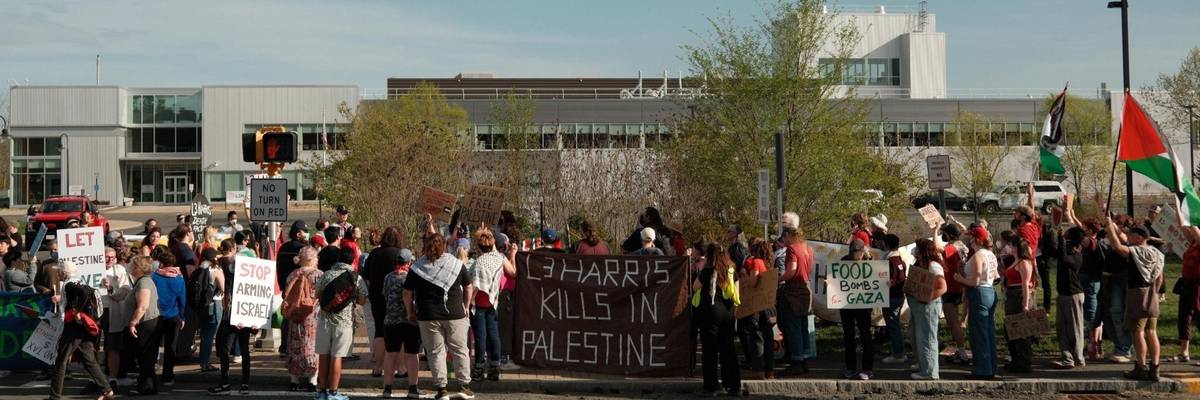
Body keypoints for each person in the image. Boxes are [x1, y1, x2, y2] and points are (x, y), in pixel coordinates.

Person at [404, 225, 475, 400]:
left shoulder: (417, 267)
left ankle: (441, 389)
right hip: (455, 314)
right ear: (444, 246)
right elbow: (468, 287)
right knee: (460, 350)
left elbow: (407, 292)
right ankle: (464, 386)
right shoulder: (456, 264)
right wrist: (466, 306)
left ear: (426, 246)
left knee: (435, 352)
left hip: (428, 315)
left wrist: (410, 312)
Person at [1106, 217, 1165, 381]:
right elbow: (1160, 278)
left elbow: (1117, 246)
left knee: (1137, 332)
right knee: (1152, 332)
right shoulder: (1157, 254)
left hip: (1137, 295)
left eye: (1131, 235)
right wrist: (1111, 224)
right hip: (1152, 293)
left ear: (1139, 237)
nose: (1128, 237)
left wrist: (1108, 227)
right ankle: (1155, 367)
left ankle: (1140, 366)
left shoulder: (1137, 252)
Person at [48, 261, 115, 400]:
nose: (57, 273)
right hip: (82, 327)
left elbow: (83, 293)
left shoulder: (70, 284)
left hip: (73, 328)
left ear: (64, 272)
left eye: (59, 271)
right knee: (88, 360)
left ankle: (54, 396)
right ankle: (107, 390)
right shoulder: (78, 282)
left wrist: (77, 310)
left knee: (60, 361)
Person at [315, 247, 368, 400]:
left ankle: (321, 392)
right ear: (352, 260)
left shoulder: (326, 274)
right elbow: (362, 300)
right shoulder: (355, 277)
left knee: (323, 356)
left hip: (324, 320)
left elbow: (317, 294)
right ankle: (333, 392)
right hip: (344, 323)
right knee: (337, 357)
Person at [693, 243, 741, 396]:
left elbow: (695, 287)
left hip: (711, 312)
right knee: (728, 348)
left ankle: (711, 386)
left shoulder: (707, 271)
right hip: (728, 312)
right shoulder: (732, 271)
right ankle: (733, 385)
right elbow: (737, 291)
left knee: (710, 350)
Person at [471, 226, 516, 382]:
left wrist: (468, 304)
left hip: (481, 304)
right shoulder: (500, 257)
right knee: (494, 335)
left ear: (478, 245)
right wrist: (513, 254)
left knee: (481, 337)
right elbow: (513, 273)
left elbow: (475, 286)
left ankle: (478, 368)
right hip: (493, 302)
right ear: (493, 243)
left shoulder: (478, 263)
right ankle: (495, 367)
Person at [956, 226, 1000, 379]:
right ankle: (991, 366)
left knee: (979, 333)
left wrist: (960, 278)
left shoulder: (978, 256)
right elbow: (994, 276)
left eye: (971, 237)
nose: (969, 239)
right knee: (988, 332)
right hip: (990, 291)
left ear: (977, 239)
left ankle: (982, 369)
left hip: (979, 292)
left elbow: (974, 281)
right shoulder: (990, 254)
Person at [904, 238, 947, 380]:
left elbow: (942, 287)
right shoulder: (920, 263)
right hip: (918, 307)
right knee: (916, 336)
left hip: (928, 307)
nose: (915, 251)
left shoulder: (934, 266)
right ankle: (923, 364)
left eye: (917, 248)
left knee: (927, 338)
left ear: (923, 252)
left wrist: (927, 297)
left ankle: (929, 372)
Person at [776, 212, 813, 376]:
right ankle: (804, 359)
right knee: (803, 325)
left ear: (790, 235)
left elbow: (791, 271)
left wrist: (777, 279)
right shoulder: (808, 248)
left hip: (793, 290)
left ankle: (796, 361)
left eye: (785, 235)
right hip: (805, 289)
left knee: (794, 326)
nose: (784, 239)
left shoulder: (792, 248)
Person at [364, 227, 403, 378]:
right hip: (395, 299)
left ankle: (378, 367)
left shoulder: (373, 254)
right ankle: (400, 368)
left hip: (377, 298)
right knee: (398, 333)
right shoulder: (399, 253)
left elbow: (366, 276)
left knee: (379, 332)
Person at [382, 248, 421, 399]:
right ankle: (412, 388)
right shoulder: (412, 277)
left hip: (391, 321)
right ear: (409, 262)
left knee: (391, 354)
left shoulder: (388, 277)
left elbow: (385, 295)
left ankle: (387, 389)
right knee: (412, 355)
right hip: (409, 321)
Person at [736, 238, 777, 380]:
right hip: (768, 306)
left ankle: (758, 370)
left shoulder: (756, 262)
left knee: (757, 338)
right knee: (768, 338)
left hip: (757, 308)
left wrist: (743, 275)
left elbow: (753, 282)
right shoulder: (768, 263)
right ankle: (769, 371)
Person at [283, 247, 320, 392]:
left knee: (294, 345)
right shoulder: (318, 275)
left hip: (294, 314)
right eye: (316, 257)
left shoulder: (292, 275)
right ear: (312, 259)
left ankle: (294, 380)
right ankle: (312, 380)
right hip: (312, 316)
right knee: (311, 346)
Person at [838, 239, 875, 381]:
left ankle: (868, 369)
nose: (856, 256)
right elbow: (837, 280)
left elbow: (875, 281)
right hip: (846, 306)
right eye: (853, 253)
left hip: (864, 307)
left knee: (866, 336)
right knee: (848, 336)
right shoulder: (843, 262)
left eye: (858, 253)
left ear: (862, 253)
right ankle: (850, 368)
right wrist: (830, 283)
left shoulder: (870, 264)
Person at [934, 223, 970, 364]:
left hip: (952, 287)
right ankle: (960, 350)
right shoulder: (961, 245)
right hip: (958, 286)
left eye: (944, 233)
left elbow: (937, 248)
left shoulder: (951, 247)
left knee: (953, 322)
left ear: (948, 235)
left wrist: (935, 231)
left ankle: (962, 352)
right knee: (954, 321)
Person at [1052, 227, 1087, 369]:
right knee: (1062, 328)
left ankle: (1078, 357)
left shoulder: (1077, 256)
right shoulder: (1066, 250)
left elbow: (1064, 258)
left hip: (1073, 294)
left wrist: (1061, 239)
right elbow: (1054, 252)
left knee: (1075, 328)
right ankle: (1067, 356)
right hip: (1063, 293)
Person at [126, 255, 162, 395]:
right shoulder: (143, 281)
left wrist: (133, 322)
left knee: (145, 356)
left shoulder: (144, 282)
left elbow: (143, 306)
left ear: (138, 268)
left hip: (146, 324)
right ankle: (147, 385)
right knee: (146, 356)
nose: (130, 267)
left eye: (133, 265)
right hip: (148, 323)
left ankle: (146, 387)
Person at [1001, 235, 1037, 374]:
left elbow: (1025, 284)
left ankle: (1023, 361)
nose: (1010, 247)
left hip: (1018, 295)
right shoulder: (1015, 261)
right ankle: (1016, 359)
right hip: (1011, 294)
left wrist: (1025, 304)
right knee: (1010, 329)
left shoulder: (1024, 263)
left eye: (1013, 245)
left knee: (1020, 330)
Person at [151, 250, 186, 387]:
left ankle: (151, 374)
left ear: (161, 262)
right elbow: (182, 300)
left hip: (157, 315)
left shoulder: (155, 277)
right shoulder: (179, 278)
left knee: (153, 346)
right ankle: (168, 376)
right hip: (174, 316)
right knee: (170, 347)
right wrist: (182, 317)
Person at [100, 247, 133, 390]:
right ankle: (96, 377)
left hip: (112, 313)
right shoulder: (91, 268)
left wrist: (110, 289)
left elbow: (125, 291)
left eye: (112, 257)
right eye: (106, 257)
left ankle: (113, 378)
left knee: (113, 346)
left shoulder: (119, 270)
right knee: (93, 346)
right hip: (95, 312)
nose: (109, 260)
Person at [277, 220, 309, 355]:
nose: (306, 234)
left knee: (286, 316)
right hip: (300, 288)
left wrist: (281, 285)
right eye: (304, 232)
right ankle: (298, 346)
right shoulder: (302, 250)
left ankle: (284, 346)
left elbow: (278, 267)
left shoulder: (283, 248)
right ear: (298, 233)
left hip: (286, 287)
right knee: (300, 317)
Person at [1173, 207, 1200, 364]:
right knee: (1184, 317)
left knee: (1199, 316)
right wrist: (1178, 206)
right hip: (1187, 284)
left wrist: (1187, 210)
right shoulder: (1192, 243)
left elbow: (1191, 227)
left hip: (1198, 285)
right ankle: (1184, 351)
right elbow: (1182, 225)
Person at [193, 247, 225, 373]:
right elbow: (222, 288)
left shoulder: (200, 268)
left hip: (202, 305)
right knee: (210, 335)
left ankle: (203, 361)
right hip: (214, 303)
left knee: (204, 335)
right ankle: (206, 363)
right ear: (213, 258)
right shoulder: (216, 270)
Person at [880, 234, 908, 364]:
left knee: (893, 326)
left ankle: (898, 354)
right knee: (895, 325)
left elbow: (892, 280)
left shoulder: (890, 261)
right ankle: (899, 351)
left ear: (887, 244)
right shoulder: (899, 259)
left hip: (891, 297)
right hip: (898, 296)